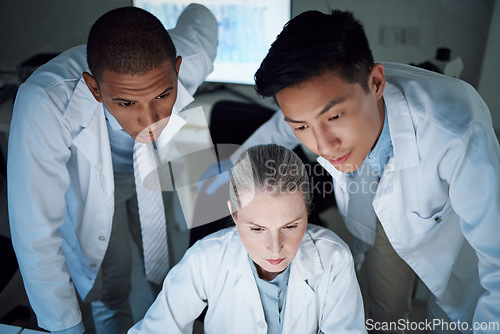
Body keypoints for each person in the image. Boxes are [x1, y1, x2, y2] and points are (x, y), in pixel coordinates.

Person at [226, 9, 500, 334]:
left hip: (448, 232)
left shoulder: (456, 130)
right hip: (379, 213)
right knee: (387, 318)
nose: (323, 146)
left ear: (376, 83)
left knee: (453, 316)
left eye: (335, 117)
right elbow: (275, 133)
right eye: (302, 126)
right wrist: (234, 185)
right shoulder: (310, 108)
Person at [7, 4, 217, 333]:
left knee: (172, 265)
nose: (150, 122)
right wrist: (65, 327)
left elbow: (200, 15)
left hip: (154, 167)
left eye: (163, 94)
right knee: (112, 285)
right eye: (126, 102)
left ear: (177, 69)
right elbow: (34, 231)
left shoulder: (194, 56)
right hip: (98, 184)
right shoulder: (43, 103)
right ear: (95, 89)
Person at [129, 144, 366, 333]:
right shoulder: (204, 259)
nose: (275, 249)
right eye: (257, 229)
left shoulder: (334, 257)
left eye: (291, 225)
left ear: (307, 211)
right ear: (234, 213)